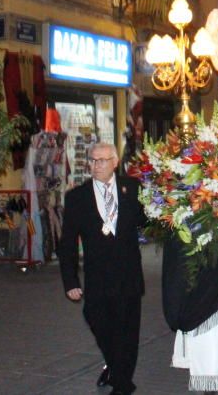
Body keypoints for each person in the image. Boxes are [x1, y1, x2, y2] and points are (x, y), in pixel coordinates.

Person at [58, 143, 148, 395]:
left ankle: (122, 384)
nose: (96, 166)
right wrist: (70, 281)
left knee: (127, 335)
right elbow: (66, 244)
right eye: (93, 161)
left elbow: (147, 219)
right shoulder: (77, 197)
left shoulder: (132, 188)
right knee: (98, 323)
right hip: (97, 279)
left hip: (129, 276)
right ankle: (115, 367)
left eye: (102, 160)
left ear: (115, 161)